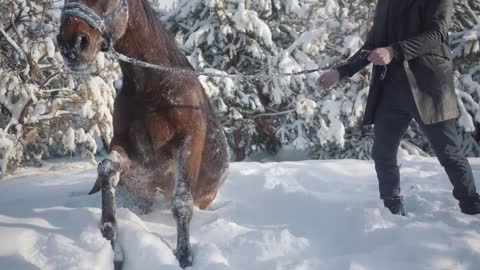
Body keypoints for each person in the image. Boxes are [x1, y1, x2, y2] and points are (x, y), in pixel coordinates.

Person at [318, 0, 480, 216]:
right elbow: (372, 45)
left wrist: (394, 50)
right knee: (383, 153)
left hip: (429, 87)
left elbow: (437, 34)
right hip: (390, 90)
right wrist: (340, 72)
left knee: (449, 153)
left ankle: (472, 207)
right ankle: (392, 211)